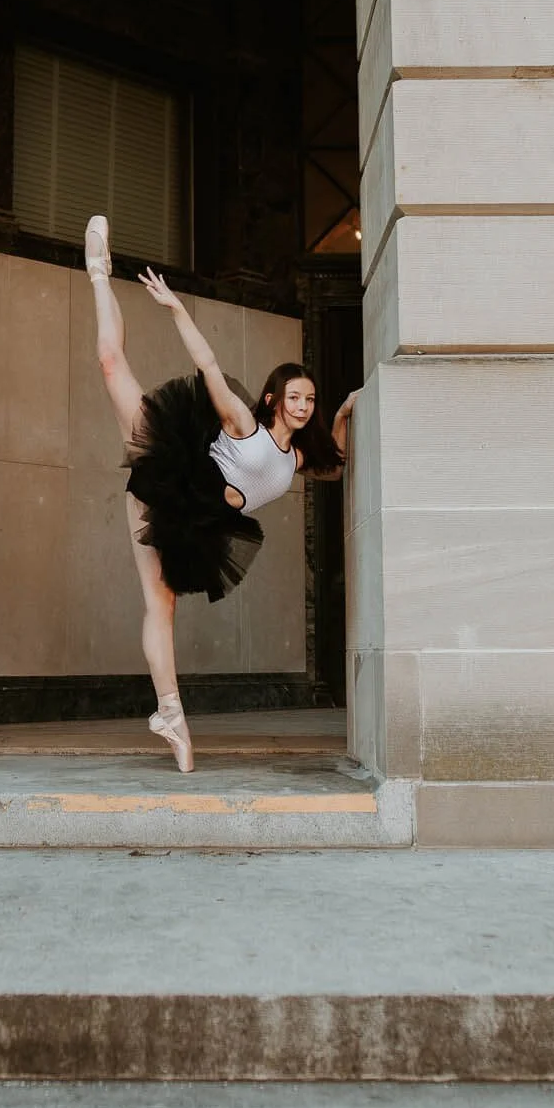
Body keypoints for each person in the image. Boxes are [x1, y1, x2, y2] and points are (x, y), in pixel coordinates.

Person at [84, 214, 357, 773]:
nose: (303, 407)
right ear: (273, 397)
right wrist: (177, 308)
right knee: (112, 366)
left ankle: (171, 716)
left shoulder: (298, 459)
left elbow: (337, 466)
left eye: (311, 400)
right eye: (295, 397)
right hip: (174, 471)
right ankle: (97, 274)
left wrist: (348, 413)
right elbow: (207, 364)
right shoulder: (243, 424)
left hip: (199, 525)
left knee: (161, 606)